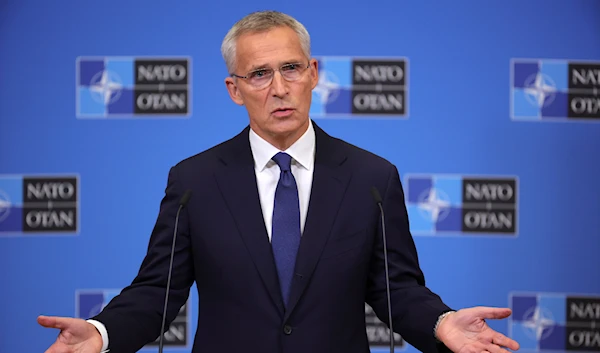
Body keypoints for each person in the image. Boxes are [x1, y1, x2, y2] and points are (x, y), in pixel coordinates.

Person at [38, 10, 520, 353]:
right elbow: (156, 293)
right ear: (234, 89)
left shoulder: (373, 178)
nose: (279, 88)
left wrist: (440, 325)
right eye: (259, 74)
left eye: (290, 68)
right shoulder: (195, 181)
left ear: (313, 74)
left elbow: (397, 289)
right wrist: (100, 335)